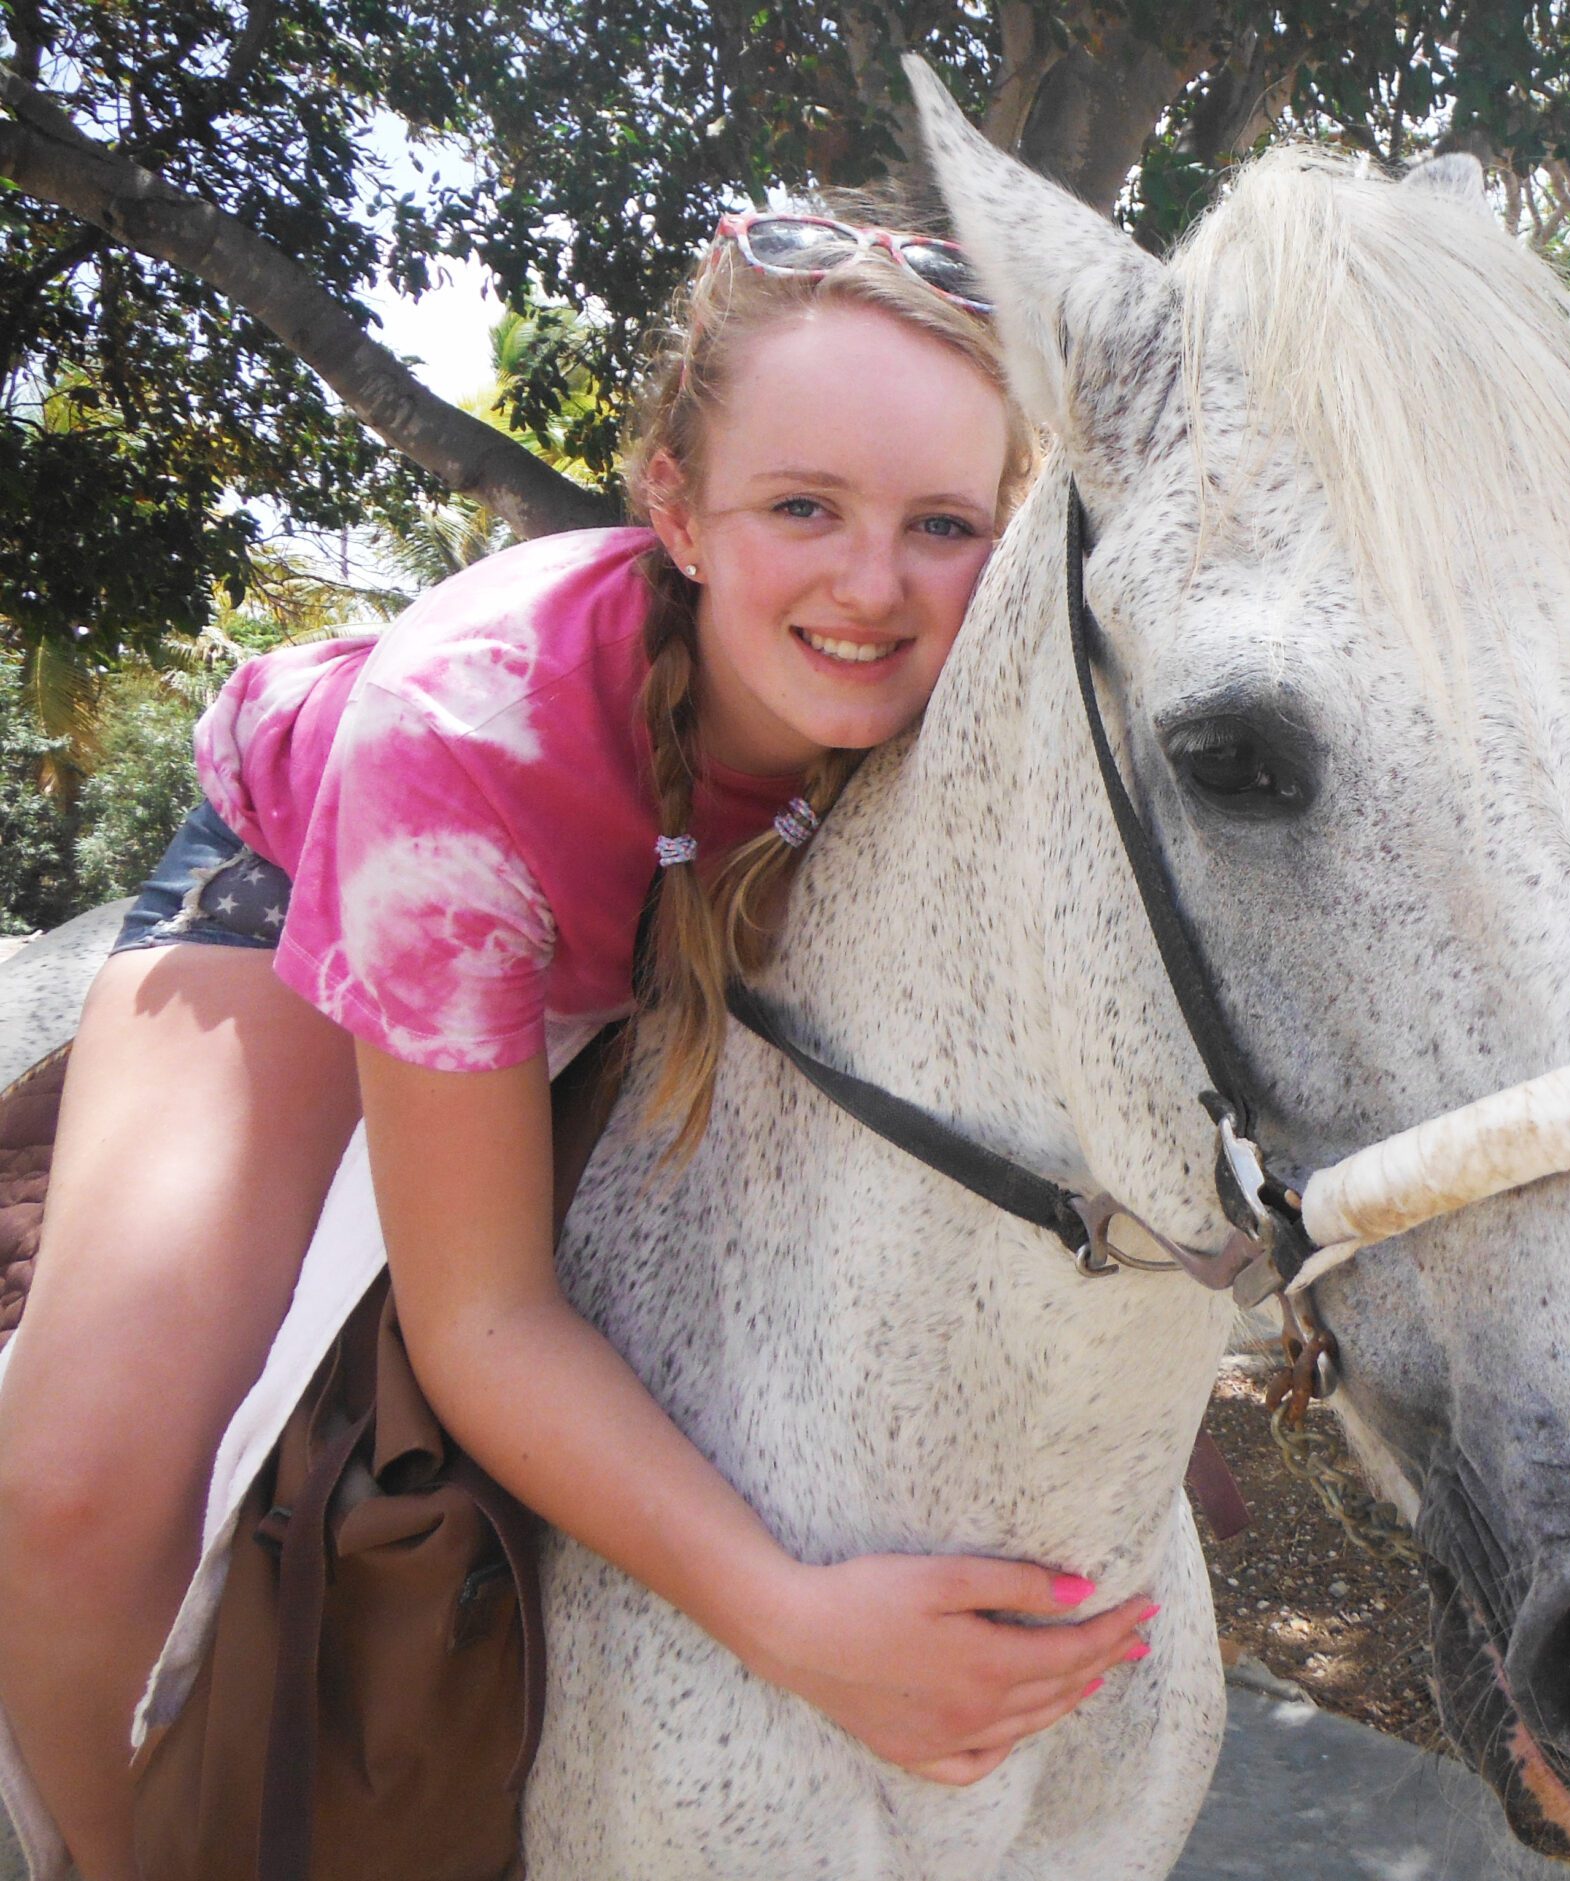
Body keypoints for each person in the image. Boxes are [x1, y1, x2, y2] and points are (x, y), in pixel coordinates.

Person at [0, 202, 1156, 1881]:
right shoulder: (468, 732)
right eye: (803, 506)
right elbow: (483, 1317)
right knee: (81, 1476)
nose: (872, 583)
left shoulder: (978, 703)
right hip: (329, 882)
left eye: (943, 523)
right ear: (675, 506)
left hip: (651, 911)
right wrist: (790, 1618)